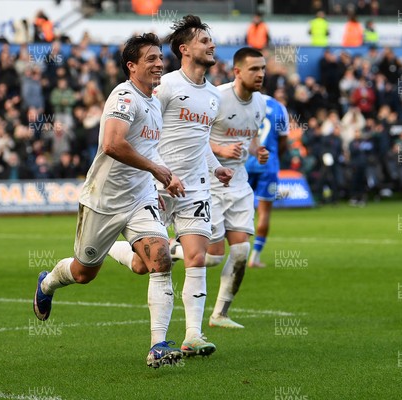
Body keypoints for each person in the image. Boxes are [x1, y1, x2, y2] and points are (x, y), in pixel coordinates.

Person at [33, 33, 186, 369]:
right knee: (85, 272)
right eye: (150, 59)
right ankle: (47, 283)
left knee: (160, 259)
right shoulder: (124, 95)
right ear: (131, 66)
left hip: (139, 198)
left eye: (160, 57)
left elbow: (148, 150)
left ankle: (157, 345)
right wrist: (158, 169)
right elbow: (113, 144)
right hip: (103, 200)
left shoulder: (153, 101)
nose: (159, 63)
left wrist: (166, 177)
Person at [108, 15, 233, 356]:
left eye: (212, 40)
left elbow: (200, 140)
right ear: (185, 49)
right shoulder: (165, 87)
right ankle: (108, 248)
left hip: (195, 187)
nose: (212, 45)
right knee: (143, 265)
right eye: (204, 40)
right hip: (156, 186)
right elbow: (143, 129)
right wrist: (156, 172)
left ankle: (193, 335)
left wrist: (217, 167)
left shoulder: (212, 95)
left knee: (197, 256)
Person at [171, 47, 269, 328]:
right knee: (212, 257)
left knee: (240, 253)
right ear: (237, 71)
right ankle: (171, 247)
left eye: (262, 68)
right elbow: (197, 137)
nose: (260, 74)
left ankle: (220, 314)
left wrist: (258, 151)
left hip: (239, 184)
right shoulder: (217, 97)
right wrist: (221, 149)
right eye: (254, 69)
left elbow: (249, 140)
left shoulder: (261, 103)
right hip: (209, 184)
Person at [246, 95, 289, 267]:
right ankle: (255, 257)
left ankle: (237, 251)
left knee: (239, 210)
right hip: (268, 165)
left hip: (246, 163)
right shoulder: (279, 108)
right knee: (264, 213)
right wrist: (274, 159)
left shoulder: (245, 101)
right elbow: (284, 141)